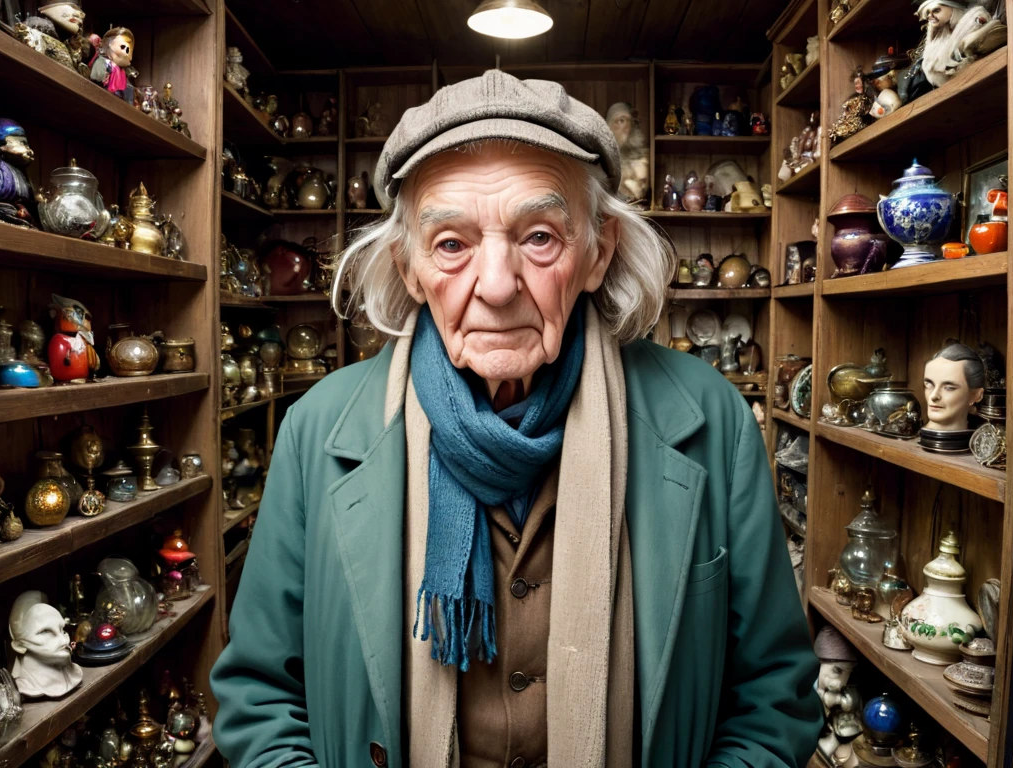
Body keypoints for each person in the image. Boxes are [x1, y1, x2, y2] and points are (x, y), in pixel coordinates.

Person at [210, 69, 821, 768]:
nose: (496, 286)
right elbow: (259, 694)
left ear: (598, 252)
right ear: (409, 268)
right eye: (451, 244)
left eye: (538, 237)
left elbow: (775, 697)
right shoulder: (319, 430)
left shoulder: (710, 419)